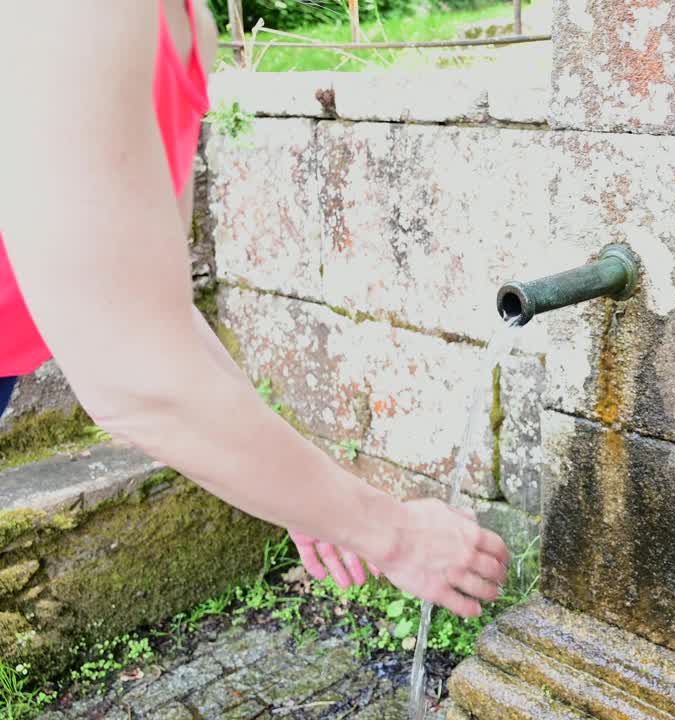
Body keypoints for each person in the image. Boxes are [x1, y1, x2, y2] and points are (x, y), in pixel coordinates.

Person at [0, 2, 508, 618]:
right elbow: (135, 381)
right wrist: (394, 536)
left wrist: (302, 492)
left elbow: (158, 313)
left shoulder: (184, 23)